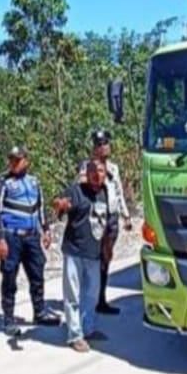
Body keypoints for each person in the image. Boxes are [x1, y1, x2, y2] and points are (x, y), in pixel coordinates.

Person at [0, 146, 61, 336]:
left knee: (37, 273)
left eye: (18, 160)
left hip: (32, 236)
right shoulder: (3, 184)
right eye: (11, 160)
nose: (14, 163)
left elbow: (40, 207)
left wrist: (45, 229)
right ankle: (8, 319)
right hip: (11, 236)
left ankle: (39, 311)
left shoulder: (34, 182)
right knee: (9, 276)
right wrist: (0, 239)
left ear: (26, 161)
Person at [54, 159, 112, 352]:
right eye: (93, 170)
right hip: (74, 251)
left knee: (92, 294)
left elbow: (106, 222)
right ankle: (75, 335)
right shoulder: (76, 191)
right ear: (87, 173)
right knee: (73, 295)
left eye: (101, 171)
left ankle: (88, 328)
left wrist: (107, 247)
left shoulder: (105, 193)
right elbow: (61, 204)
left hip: (94, 253)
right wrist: (60, 205)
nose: (97, 174)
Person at [81, 129, 131, 315]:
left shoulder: (113, 168)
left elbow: (118, 193)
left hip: (112, 217)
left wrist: (125, 215)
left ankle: (101, 299)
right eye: (100, 144)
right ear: (95, 148)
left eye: (106, 143)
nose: (104, 147)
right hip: (97, 218)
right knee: (93, 259)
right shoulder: (87, 167)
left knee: (105, 259)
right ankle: (89, 298)